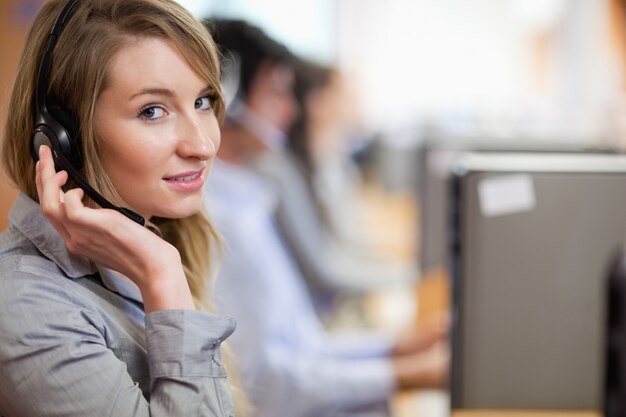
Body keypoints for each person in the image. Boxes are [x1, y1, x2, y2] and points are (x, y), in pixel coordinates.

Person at [0, 0, 243, 415]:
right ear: (62, 139)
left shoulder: (153, 239)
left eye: (203, 101)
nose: (202, 145)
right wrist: (162, 275)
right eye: (153, 111)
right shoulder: (24, 304)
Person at [204, 18, 449, 417]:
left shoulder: (247, 197)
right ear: (229, 98)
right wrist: (402, 373)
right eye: (276, 92)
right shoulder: (219, 217)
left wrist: (394, 349)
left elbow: (302, 346)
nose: (290, 108)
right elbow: (269, 383)